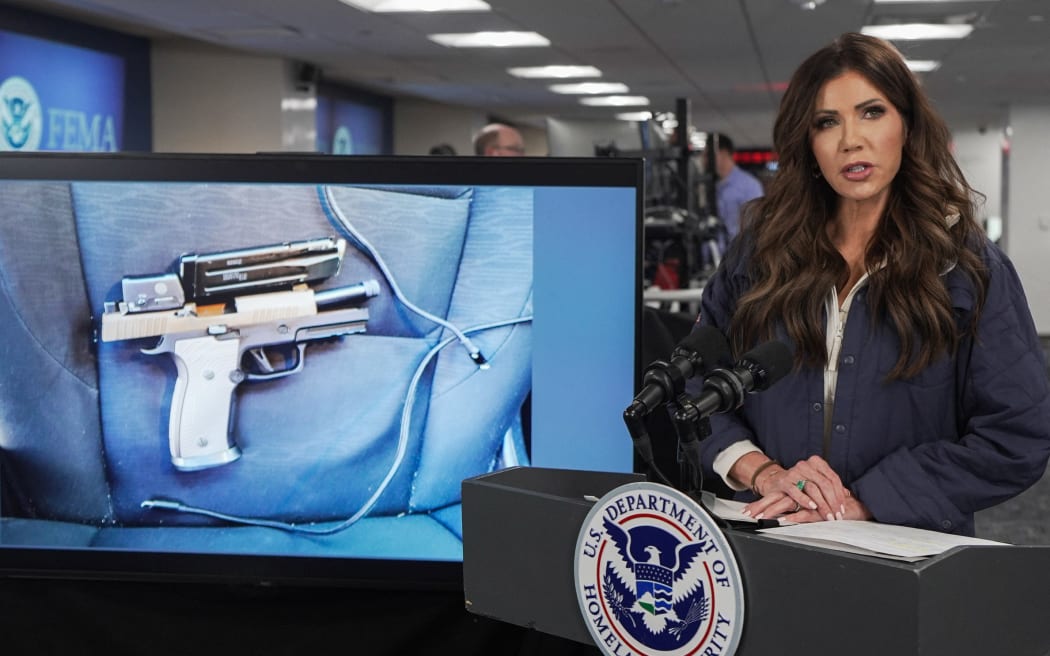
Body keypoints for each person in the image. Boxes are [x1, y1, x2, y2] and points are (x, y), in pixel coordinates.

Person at [693, 32, 1050, 535]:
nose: (850, 140)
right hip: (766, 546)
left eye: (872, 112)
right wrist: (764, 473)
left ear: (907, 125)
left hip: (905, 558)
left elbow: (1016, 436)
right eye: (826, 122)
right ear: (807, 143)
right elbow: (696, 383)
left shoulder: (969, 271)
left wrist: (866, 502)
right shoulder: (758, 259)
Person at [714, 134, 764, 242]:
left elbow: (756, 226)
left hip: (738, 254)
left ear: (722, 154)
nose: (703, 159)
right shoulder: (712, 186)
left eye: (706, 155)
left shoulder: (749, 186)